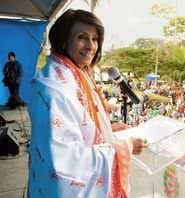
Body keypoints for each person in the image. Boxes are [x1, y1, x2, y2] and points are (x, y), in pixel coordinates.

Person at [28, 9, 148, 197]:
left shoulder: (77, 72)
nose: (91, 46)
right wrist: (125, 148)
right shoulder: (54, 90)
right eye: (82, 37)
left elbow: (79, 126)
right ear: (64, 40)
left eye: (95, 39)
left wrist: (107, 129)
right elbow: (64, 164)